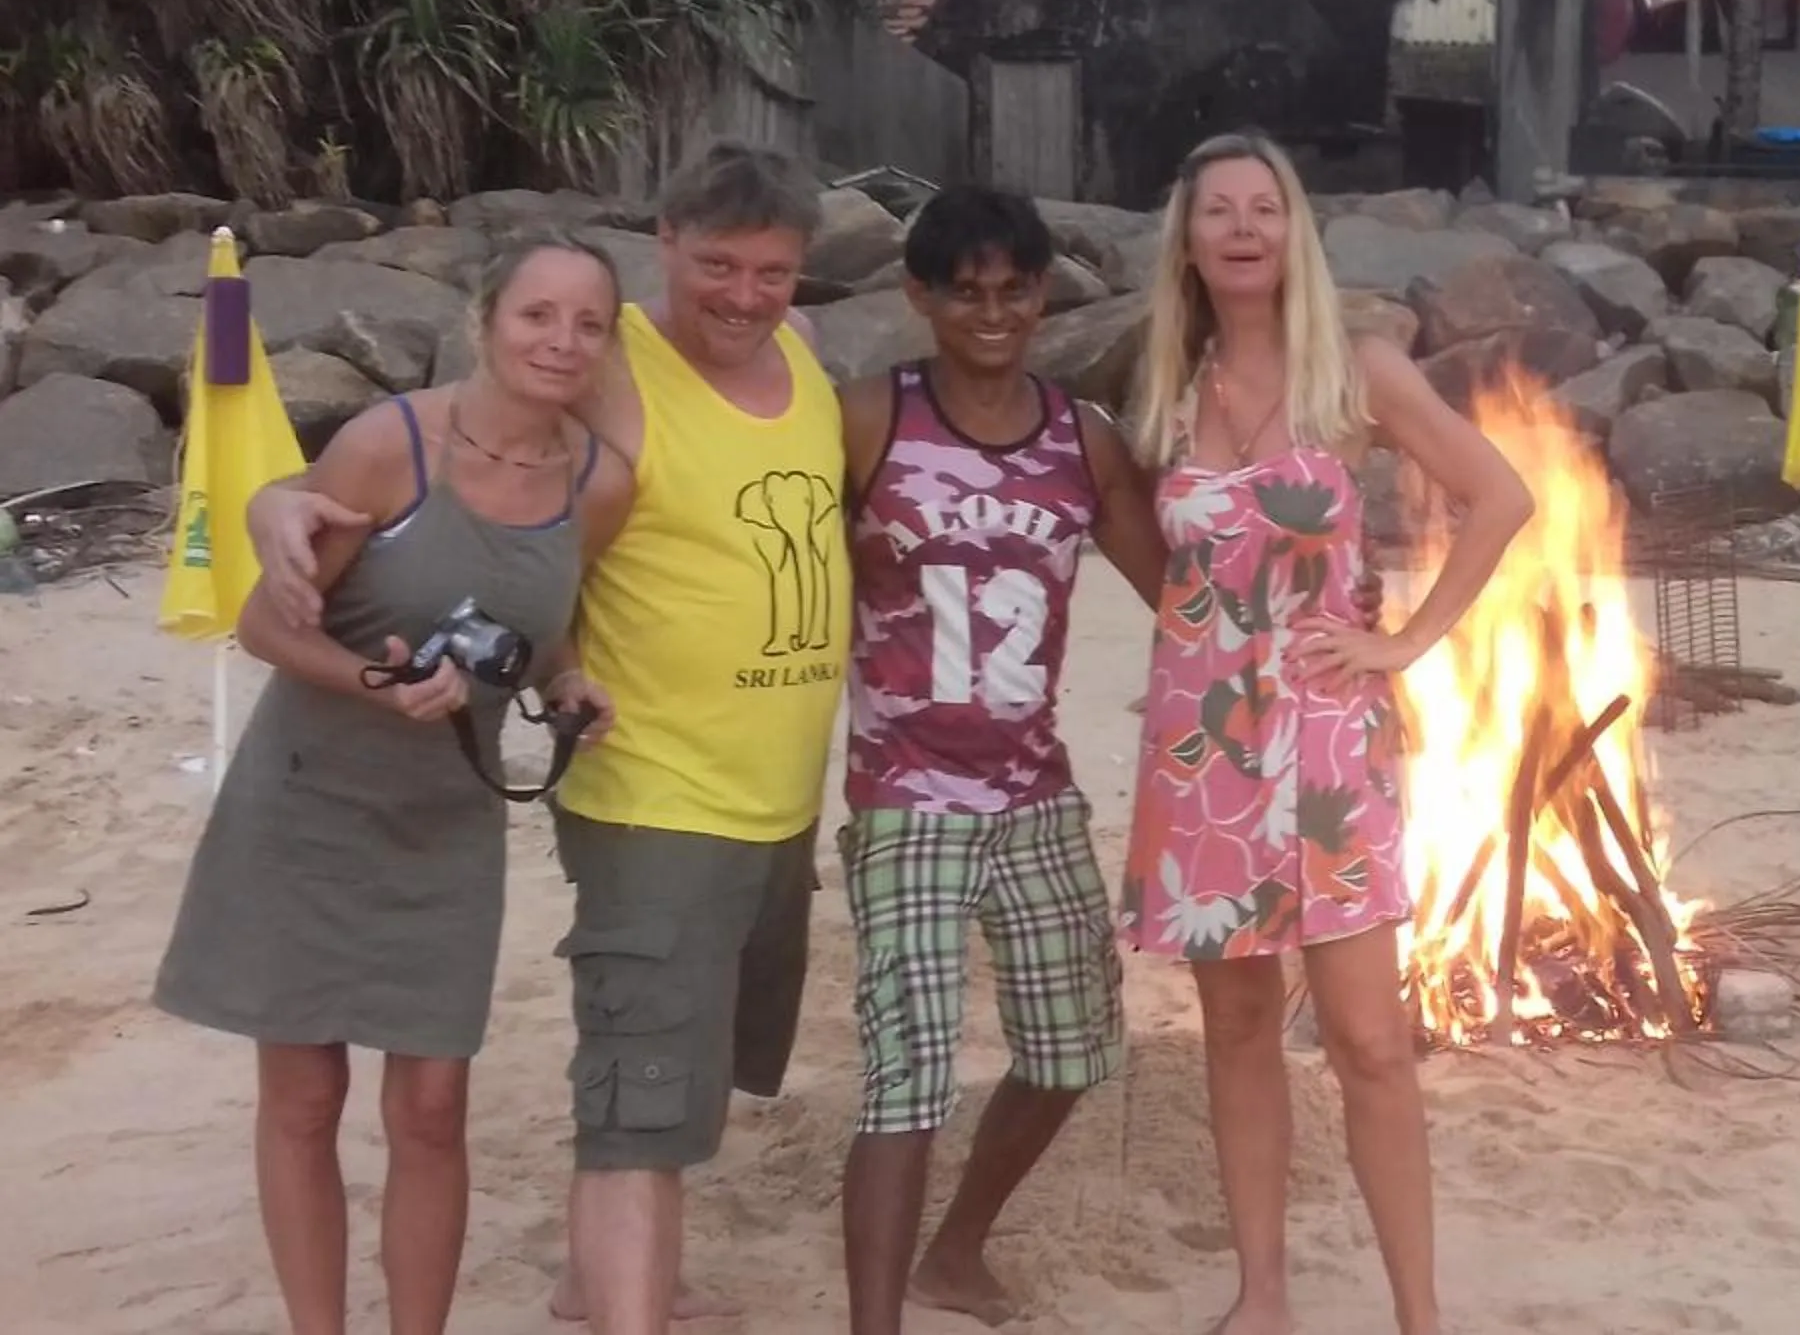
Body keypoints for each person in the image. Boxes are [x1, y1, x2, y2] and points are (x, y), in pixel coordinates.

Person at [244, 142, 847, 1335]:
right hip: (651, 786)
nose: (742, 292)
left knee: (682, 1074)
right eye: (715, 262)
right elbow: (474, 467)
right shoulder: (607, 370)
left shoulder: (806, 354)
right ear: (663, 245)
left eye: (771, 270)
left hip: (776, 794)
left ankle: (603, 1277)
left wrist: (560, 667)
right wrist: (273, 497)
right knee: (637, 1093)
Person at [156, 232, 633, 1335]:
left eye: (589, 323)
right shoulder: (386, 446)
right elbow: (265, 622)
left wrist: (568, 684)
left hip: (446, 817)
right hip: (310, 799)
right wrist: (378, 681)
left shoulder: (598, 483)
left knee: (431, 1105)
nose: (561, 340)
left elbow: (549, 629)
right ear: (486, 319)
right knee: (306, 1094)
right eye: (537, 315)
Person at [1117, 132, 1534, 1335]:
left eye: (1265, 208)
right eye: (1219, 212)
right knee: (1239, 1025)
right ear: (1187, 241)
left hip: (1325, 745)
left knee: (1370, 1038)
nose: (1243, 228)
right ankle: (1263, 1293)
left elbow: (1502, 495)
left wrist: (1404, 641)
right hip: (1199, 749)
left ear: (1293, 229)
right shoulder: (1163, 387)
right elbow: (1156, 556)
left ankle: (1419, 1314)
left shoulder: (1355, 373)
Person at [834, 185, 1168, 1334]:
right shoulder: (870, 416)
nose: (992, 311)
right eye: (965, 290)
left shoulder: (1084, 439)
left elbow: (1182, 594)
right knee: (908, 1072)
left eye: (1013, 288)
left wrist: (1330, 627)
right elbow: (769, 571)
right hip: (903, 795)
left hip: (1035, 792)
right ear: (920, 296)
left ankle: (957, 1248)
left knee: (1075, 1049)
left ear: (1042, 294)